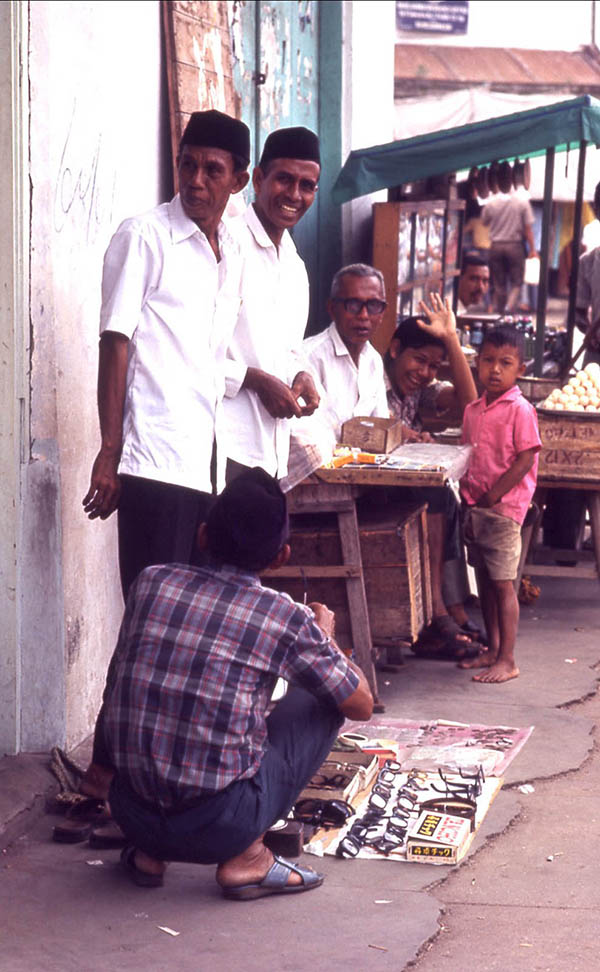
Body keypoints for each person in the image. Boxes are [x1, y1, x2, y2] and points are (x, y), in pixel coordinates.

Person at [98, 468, 373, 897]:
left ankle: (149, 855)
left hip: (130, 811)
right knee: (323, 700)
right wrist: (324, 637)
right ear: (280, 557)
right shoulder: (284, 617)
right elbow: (361, 703)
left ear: (203, 535)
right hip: (221, 826)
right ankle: (249, 857)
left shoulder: (151, 582)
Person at [81, 110, 251, 599]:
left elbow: (210, 357)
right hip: (153, 463)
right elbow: (114, 344)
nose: (195, 181)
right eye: (187, 165)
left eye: (212, 170)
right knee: (150, 616)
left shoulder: (233, 250)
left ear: (238, 180)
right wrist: (110, 454)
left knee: (194, 624)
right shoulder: (144, 236)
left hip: (208, 465)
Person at [224, 127, 322, 480]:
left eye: (307, 185)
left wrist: (301, 375)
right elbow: (189, 354)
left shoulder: (294, 267)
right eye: (284, 179)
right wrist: (255, 381)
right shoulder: (226, 244)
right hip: (221, 446)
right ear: (259, 179)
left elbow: (289, 349)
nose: (294, 195)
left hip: (270, 450)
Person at [385, 296, 480, 657]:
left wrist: (452, 340)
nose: (425, 372)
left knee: (449, 496)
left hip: (406, 482)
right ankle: (437, 610)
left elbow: (470, 406)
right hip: (372, 486)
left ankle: (449, 607)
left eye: (434, 367)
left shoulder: (420, 390)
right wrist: (404, 435)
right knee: (437, 496)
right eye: (419, 360)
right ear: (395, 350)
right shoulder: (372, 377)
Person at [459, 326, 541, 683]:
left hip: (504, 511)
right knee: (486, 582)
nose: (495, 370)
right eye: (488, 360)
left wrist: (494, 495)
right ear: (477, 363)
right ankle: (492, 649)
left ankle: (508, 658)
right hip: (475, 506)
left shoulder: (520, 409)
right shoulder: (474, 409)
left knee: (505, 584)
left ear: (520, 369)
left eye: (505, 363)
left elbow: (524, 459)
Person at [302, 263, 388, 439]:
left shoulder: (373, 360)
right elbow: (309, 436)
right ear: (332, 309)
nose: (364, 315)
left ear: (382, 313)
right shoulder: (309, 358)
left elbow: (381, 428)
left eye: (373, 305)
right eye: (353, 304)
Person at [482, 188, 537, 313]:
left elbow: (484, 221)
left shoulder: (491, 202)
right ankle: (509, 306)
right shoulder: (522, 202)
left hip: (495, 246)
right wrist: (532, 249)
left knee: (498, 282)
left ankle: (500, 310)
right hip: (514, 246)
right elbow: (528, 228)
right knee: (517, 281)